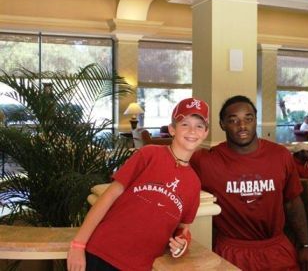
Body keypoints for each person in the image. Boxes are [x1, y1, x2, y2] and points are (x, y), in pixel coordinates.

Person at [66, 98, 210, 271]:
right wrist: (78, 244)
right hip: (102, 252)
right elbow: (109, 196)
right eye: (185, 124)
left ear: (205, 133)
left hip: (140, 265)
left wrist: (182, 245)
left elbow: (183, 228)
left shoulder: (194, 183)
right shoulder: (149, 155)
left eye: (199, 126)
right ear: (172, 129)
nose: (192, 130)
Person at [191, 95, 308, 271]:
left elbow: (293, 203)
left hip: (276, 249)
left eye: (248, 119)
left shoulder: (280, 155)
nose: (242, 126)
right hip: (231, 251)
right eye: (233, 120)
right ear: (222, 124)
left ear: (256, 120)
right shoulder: (205, 161)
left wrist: (305, 245)